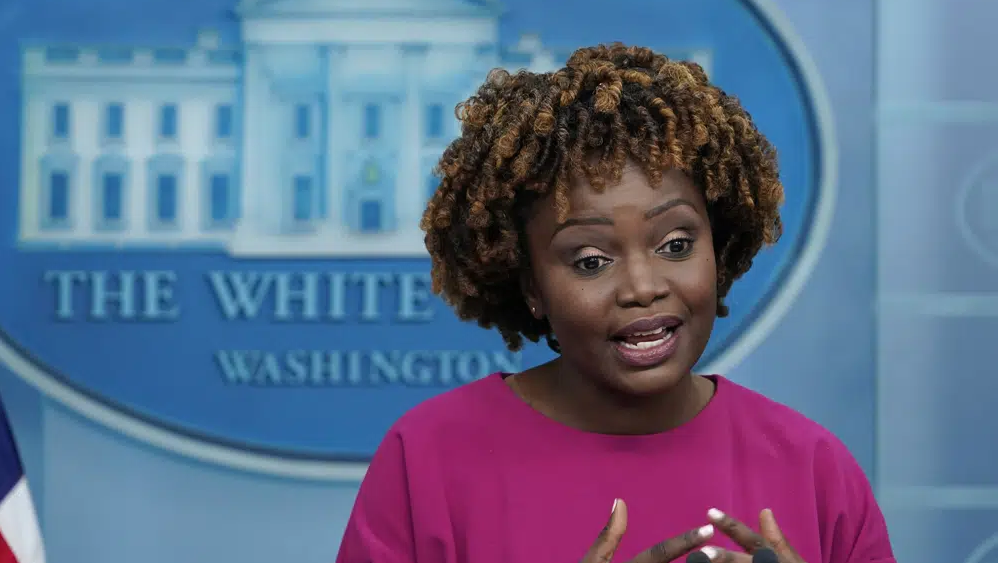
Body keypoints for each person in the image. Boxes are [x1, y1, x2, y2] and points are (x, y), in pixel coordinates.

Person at [334, 43, 896, 563]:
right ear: (529, 285)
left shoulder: (814, 469)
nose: (642, 287)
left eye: (676, 245)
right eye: (590, 260)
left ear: (719, 248)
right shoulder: (430, 459)